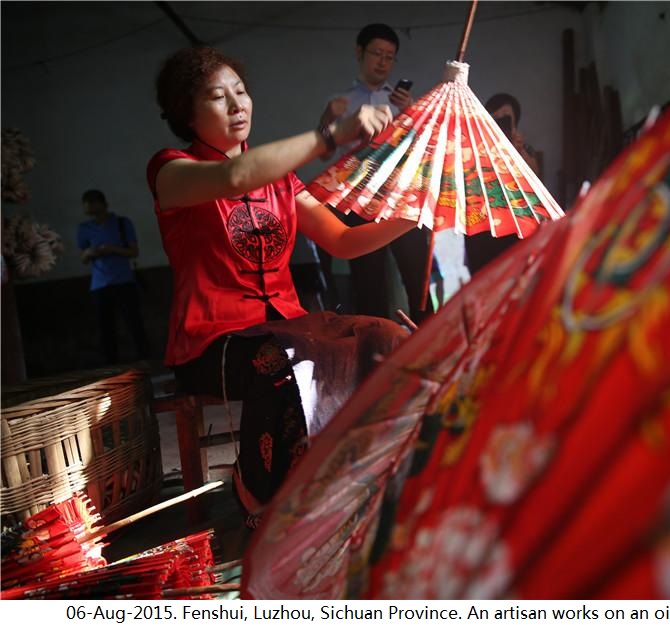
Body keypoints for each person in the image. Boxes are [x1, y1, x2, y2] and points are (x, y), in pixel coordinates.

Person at [148, 46, 417, 525]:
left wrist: (413, 212)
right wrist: (332, 134)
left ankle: (352, 486)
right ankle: (262, 500)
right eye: (217, 96)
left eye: (241, 91)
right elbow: (234, 176)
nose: (237, 105)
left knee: (388, 340)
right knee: (286, 363)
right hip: (214, 345)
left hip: (290, 330)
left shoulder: (282, 181)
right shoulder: (171, 170)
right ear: (186, 114)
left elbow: (344, 241)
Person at [317, 23, 435, 326]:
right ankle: (375, 356)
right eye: (377, 53)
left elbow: (423, 150)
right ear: (360, 52)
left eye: (390, 56)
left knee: (417, 277)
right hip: (359, 201)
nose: (383, 61)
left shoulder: (401, 102)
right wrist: (329, 117)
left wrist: (410, 112)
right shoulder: (340, 101)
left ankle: (430, 347)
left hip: (400, 198)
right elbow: (324, 152)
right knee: (367, 283)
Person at [465, 92, 544, 278]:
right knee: (481, 277)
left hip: (515, 223)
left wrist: (518, 151)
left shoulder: (523, 149)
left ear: (515, 122)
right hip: (481, 225)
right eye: (496, 118)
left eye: (506, 119)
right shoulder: (477, 147)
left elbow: (535, 177)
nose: (501, 122)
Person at [77, 189, 151, 364]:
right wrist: (91, 253)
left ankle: (145, 358)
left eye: (93, 202)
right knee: (106, 327)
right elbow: (83, 258)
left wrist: (112, 249)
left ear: (104, 204)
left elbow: (134, 251)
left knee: (134, 323)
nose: (90, 206)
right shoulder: (84, 229)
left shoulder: (121, 224)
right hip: (100, 284)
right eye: (87, 203)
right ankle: (112, 363)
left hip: (124, 280)